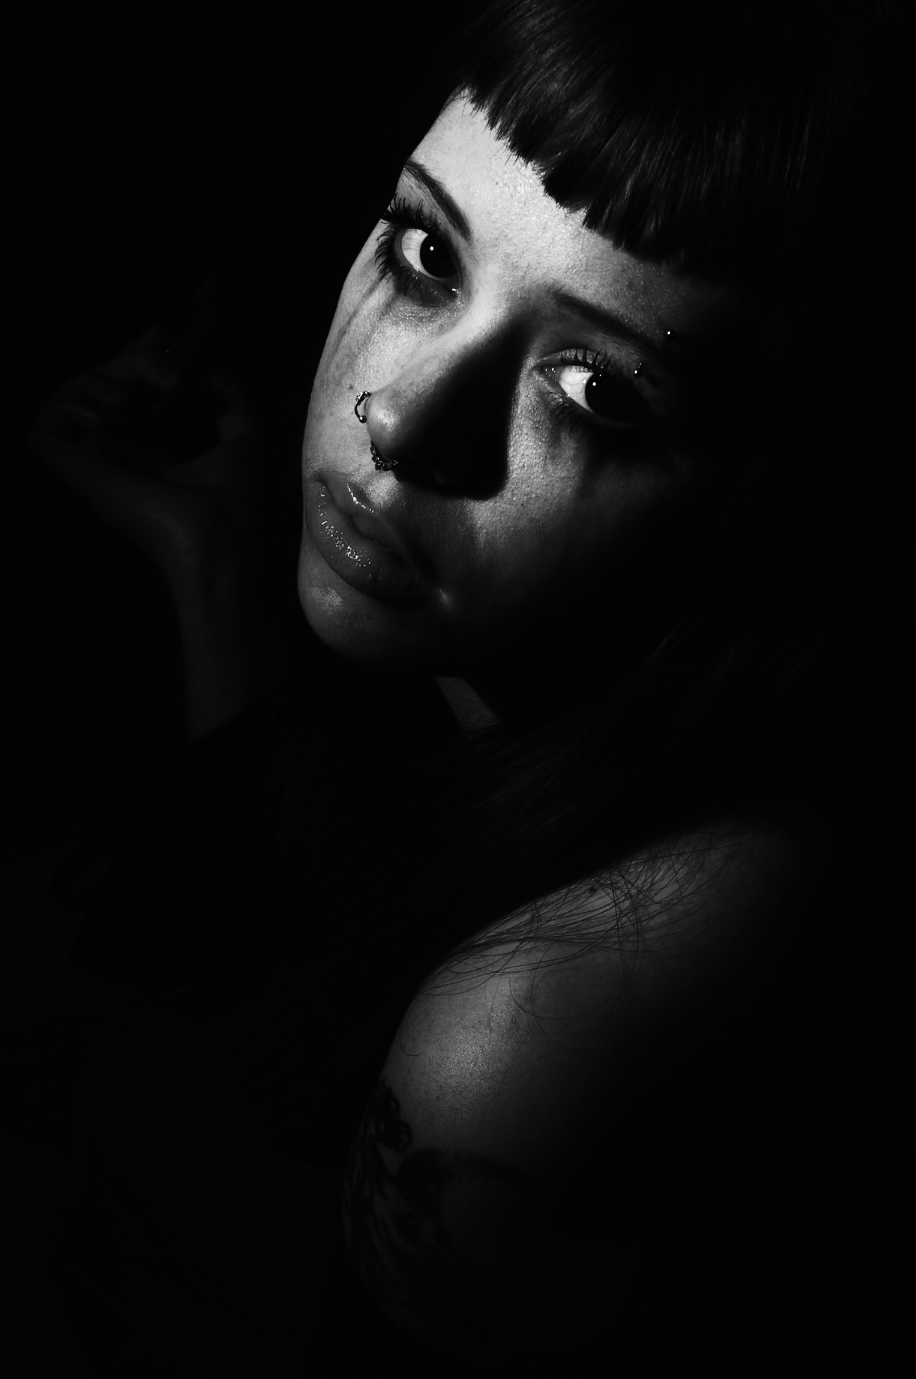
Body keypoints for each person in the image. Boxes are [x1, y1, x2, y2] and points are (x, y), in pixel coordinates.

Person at [24, 0, 911, 1369]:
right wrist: (206, 560)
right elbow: (274, 936)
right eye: (429, 253)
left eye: (595, 393)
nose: (405, 418)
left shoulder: (534, 1035)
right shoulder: (536, 665)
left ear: (788, 496)